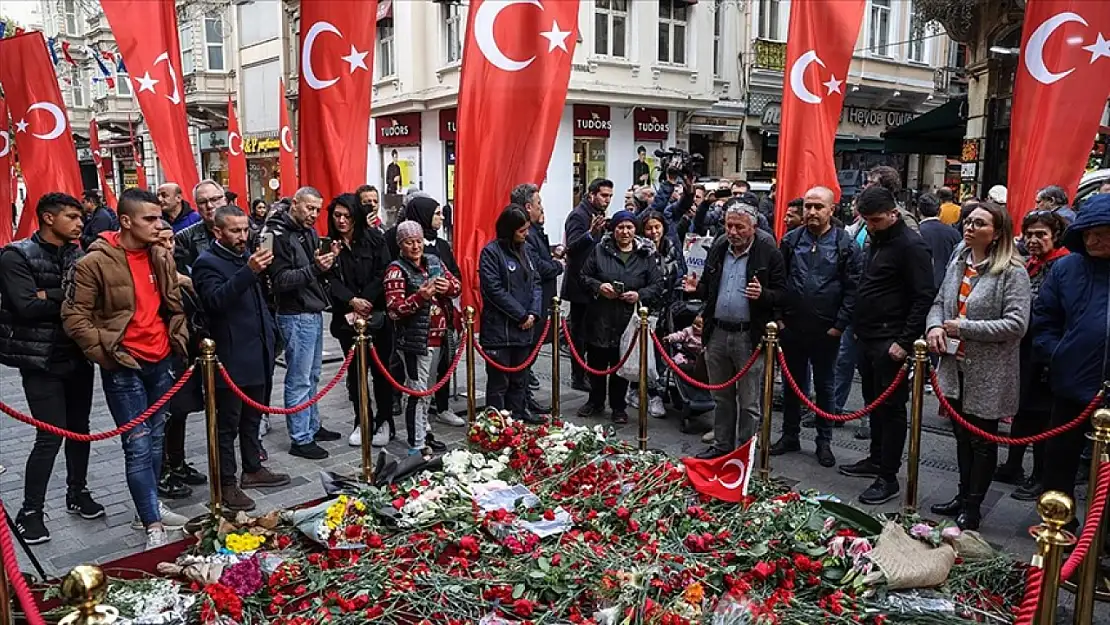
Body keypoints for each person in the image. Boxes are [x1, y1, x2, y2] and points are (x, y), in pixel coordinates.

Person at [61, 188, 191, 549]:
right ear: (126, 221)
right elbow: (74, 317)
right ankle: (152, 525)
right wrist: (107, 354)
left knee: (154, 442)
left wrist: (176, 337)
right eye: (149, 218)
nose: (159, 224)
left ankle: (146, 507)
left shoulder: (159, 255)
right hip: (124, 365)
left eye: (159, 217)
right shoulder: (93, 262)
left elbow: (172, 302)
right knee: (136, 445)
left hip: (160, 359)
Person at [0, 194, 100, 544]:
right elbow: (26, 306)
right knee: (50, 435)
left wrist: (50, 294)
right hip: (40, 360)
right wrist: (67, 296)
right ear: (47, 218)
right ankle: (31, 511)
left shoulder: (79, 251)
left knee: (80, 430)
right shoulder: (16, 255)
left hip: (78, 354)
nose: (79, 223)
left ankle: (78, 492)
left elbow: (93, 297)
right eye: (72, 217)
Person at [926, 202, 1030, 529]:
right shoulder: (959, 261)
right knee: (961, 436)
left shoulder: (1012, 271)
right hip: (954, 365)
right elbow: (940, 303)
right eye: (968, 222)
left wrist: (963, 328)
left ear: (997, 233)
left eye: (979, 224)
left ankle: (974, 505)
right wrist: (935, 328)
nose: (969, 228)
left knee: (982, 441)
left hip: (989, 372)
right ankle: (962, 493)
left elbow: (1016, 324)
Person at [837, 186, 936, 505]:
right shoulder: (876, 240)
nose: (870, 225)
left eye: (876, 220)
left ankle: (888, 476)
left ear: (894, 214)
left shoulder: (911, 245)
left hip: (890, 340)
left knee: (892, 410)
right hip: (867, 335)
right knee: (873, 403)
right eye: (865, 220)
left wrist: (905, 341)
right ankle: (876, 458)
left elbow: (923, 296)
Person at [192, 205, 290, 511]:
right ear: (217, 232)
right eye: (235, 230)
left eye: (245, 229)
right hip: (230, 356)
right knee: (227, 424)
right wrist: (249, 271)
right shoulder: (207, 263)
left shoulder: (246, 255)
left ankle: (253, 468)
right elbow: (216, 301)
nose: (242, 236)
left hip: (258, 351)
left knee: (252, 417)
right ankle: (226, 484)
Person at [685, 201, 786, 458]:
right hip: (718, 331)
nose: (732, 231)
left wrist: (763, 295)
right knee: (720, 396)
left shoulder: (768, 251)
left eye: (739, 226)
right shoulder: (719, 246)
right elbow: (708, 286)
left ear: (752, 227)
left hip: (749, 336)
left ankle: (745, 451)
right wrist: (696, 289)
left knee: (750, 401)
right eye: (729, 225)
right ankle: (722, 446)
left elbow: (784, 294)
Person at [1033, 193, 1110, 522]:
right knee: (1059, 461)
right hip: (1072, 384)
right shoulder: (1066, 268)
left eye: (1102, 233)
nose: (1093, 239)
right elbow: (1044, 319)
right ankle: (1057, 526)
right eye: (1088, 233)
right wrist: (1058, 354)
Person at [773, 187, 861, 468]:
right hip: (792, 327)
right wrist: (781, 318)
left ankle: (824, 441)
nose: (812, 212)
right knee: (792, 384)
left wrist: (839, 325)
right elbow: (779, 280)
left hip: (826, 330)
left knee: (825, 386)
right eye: (808, 206)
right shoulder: (791, 240)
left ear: (831, 210)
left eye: (818, 207)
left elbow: (853, 288)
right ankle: (790, 435)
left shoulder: (844, 244)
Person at [995, 211, 1069, 502]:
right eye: (1030, 234)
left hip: (1046, 354)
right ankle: (1013, 465)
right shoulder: (1030, 265)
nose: (1034, 240)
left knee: (1042, 418)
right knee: (1022, 411)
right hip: (1025, 351)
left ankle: (1040, 475)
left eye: (1041, 234)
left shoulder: (1062, 265)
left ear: (1055, 236)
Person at [265, 186, 341, 459]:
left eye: (318, 210)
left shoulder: (307, 232)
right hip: (294, 312)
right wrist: (316, 268)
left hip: (313, 309)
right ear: (294, 204)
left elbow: (312, 270)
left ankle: (311, 424)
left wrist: (325, 263)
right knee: (299, 377)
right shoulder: (276, 234)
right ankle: (300, 437)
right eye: (309, 208)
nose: (314, 214)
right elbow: (281, 281)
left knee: (312, 375)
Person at [577, 211, 663, 424]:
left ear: (635, 230)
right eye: (620, 228)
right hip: (600, 316)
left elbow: (657, 284)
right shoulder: (599, 250)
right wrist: (598, 286)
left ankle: (618, 406)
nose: (625, 232)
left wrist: (639, 295)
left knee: (620, 364)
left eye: (629, 228)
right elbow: (583, 276)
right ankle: (595, 400)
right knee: (596, 362)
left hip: (627, 319)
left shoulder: (645, 255)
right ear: (613, 229)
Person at [385, 220, 462, 455]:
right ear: (401, 245)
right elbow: (394, 309)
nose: (416, 246)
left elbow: (457, 286)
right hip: (415, 340)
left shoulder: (434, 261)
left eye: (418, 241)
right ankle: (416, 442)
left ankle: (424, 433)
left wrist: (446, 286)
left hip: (440, 335)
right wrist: (419, 297)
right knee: (417, 391)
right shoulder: (396, 270)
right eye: (409, 242)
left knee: (429, 390)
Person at [324, 194, 394, 447]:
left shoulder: (375, 239)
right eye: (337, 216)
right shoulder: (329, 243)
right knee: (355, 373)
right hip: (347, 318)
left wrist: (365, 300)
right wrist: (351, 300)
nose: (342, 221)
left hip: (375, 314)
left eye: (347, 216)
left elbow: (383, 271)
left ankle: (385, 421)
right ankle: (361, 419)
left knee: (381, 371)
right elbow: (329, 279)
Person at [404, 195, 465, 427]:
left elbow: (456, 276)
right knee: (420, 372)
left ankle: (442, 406)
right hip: (418, 320)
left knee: (444, 362)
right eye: (437, 213)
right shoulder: (405, 247)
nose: (441, 217)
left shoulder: (440, 246)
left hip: (444, 316)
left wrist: (449, 286)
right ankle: (420, 415)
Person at [479, 206, 544, 423]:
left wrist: (533, 313)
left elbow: (536, 281)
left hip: (524, 328)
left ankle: (518, 419)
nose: (526, 235)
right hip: (501, 330)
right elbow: (493, 290)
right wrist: (521, 315)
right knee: (500, 382)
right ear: (510, 230)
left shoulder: (525, 250)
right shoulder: (491, 253)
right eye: (522, 231)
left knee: (520, 379)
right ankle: (496, 424)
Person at [630, 209, 686, 418]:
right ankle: (648, 392)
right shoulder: (640, 249)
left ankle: (655, 391)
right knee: (646, 354)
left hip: (668, 308)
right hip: (646, 309)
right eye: (649, 228)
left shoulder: (671, 245)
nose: (654, 232)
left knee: (662, 353)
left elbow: (679, 271)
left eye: (657, 227)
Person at [513, 183, 562, 414]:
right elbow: (538, 268)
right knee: (525, 357)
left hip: (542, 303)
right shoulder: (526, 235)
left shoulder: (535, 231)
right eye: (539, 204)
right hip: (532, 305)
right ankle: (520, 402)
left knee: (529, 357)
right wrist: (557, 265)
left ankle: (525, 398)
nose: (542, 208)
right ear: (527, 206)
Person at [563, 178, 614, 392]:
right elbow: (571, 249)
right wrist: (590, 234)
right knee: (579, 334)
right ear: (592, 194)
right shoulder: (579, 215)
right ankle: (578, 375)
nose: (607, 200)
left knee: (591, 331)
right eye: (604, 195)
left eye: (610, 196)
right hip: (579, 285)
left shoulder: (597, 214)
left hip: (594, 282)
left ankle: (589, 371)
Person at [918, 192, 962, 290]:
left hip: (923, 286)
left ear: (918, 211)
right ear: (939, 211)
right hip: (948, 285)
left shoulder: (916, 233)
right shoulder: (954, 233)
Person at [866, 165, 919, 232]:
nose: (866, 186)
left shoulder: (905, 219)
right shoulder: (868, 213)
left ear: (884, 188)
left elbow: (913, 241)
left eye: (871, 183)